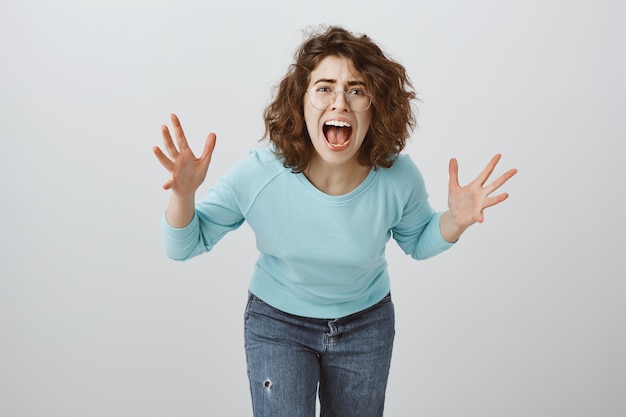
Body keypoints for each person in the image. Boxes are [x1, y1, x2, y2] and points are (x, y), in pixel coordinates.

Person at [152, 26, 517, 417]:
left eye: (356, 90)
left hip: (366, 325)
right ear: (301, 103)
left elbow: (419, 240)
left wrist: (456, 221)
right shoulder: (260, 174)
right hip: (278, 325)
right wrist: (183, 195)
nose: (339, 101)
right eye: (324, 88)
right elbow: (183, 245)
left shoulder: (397, 177)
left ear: (375, 106)